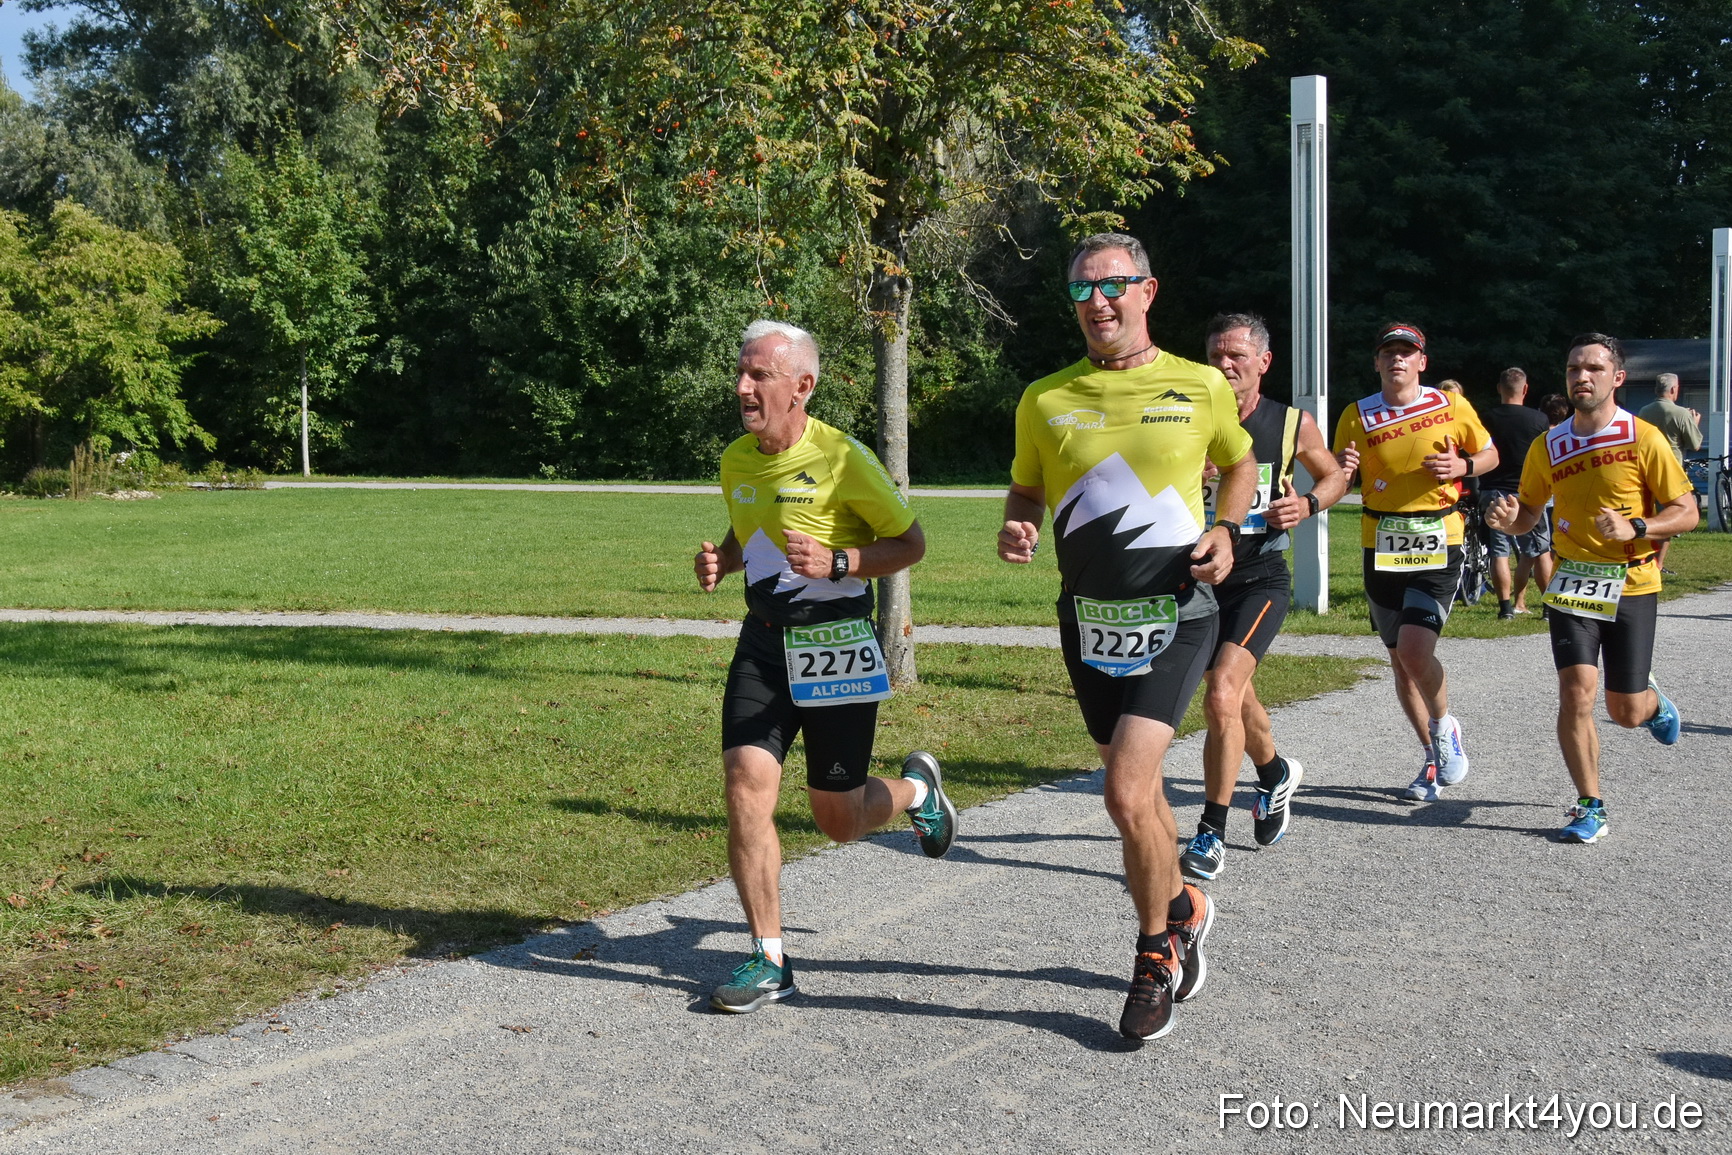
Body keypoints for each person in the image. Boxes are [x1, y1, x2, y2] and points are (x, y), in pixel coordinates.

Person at [998, 233, 1255, 1042]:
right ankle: (1184, 905)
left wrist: (1227, 526)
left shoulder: (1201, 383)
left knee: (1123, 789)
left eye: (1113, 288)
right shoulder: (1045, 397)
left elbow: (1240, 463)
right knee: (1136, 797)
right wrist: (1017, 520)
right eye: (1081, 292)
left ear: (1148, 291)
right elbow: (1027, 483)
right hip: (1089, 619)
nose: (1098, 304)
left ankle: (1154, 957)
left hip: (1178, 614)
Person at [694, 319, 956, 1013]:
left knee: (838, 818)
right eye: (741, 373)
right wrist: (723, 555)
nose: (744, 388)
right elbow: (749, 520)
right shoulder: (736, 459)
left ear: (802, 387)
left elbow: (911, 542)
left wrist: (841, 561)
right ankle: (768, 957)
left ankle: (917, 793)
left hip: (834, 644)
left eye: (761, 376)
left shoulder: (844, 460)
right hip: (763, 643)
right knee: (746, 781)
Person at [1485, 334, 1696, 843]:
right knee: (1576, 691)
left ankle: (1652, 704)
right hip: (1573, 582)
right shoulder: (1549, 443)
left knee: (1624, 711)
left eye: (1594, 368)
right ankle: (1590, 804)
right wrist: (1511, 520)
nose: (1582, 377)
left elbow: (1686, 512)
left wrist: (1638, 528)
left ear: (1617, 378)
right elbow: (1529, 515)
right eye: (1574, 368)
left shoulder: (1643, 438)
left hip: (1632, 584)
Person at [1178, 313, 1347, 881]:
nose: (1225, 366)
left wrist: (1308, 503)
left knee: (1223, 692)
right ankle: (1274, 774)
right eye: (1217, 356)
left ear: (1263, 363)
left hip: (1259, 578)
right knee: (1232, 692)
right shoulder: (1185, 418)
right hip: (1200, 577)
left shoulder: (1291, 423)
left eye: (1237, 357)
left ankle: (1210, 833)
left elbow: (1333, 477)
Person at [1332, 323, 1496, 804]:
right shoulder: (1357, 414)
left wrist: (1463, 467)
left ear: (1422, 362)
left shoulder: (1451, 406)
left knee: (1415, 650)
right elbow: (1338, 473)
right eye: (1389, 353)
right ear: (1377, 362)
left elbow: (1489, 454)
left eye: (1407, 352)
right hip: (1379, 542)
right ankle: (1430, 757)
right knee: (1400, 663)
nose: (1398, 360)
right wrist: (1340, 473)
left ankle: (1445, 727)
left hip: (1438, 537)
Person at [1479, 368, 1555, 619]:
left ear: (1499, 388)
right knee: (1539, 549)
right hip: (1527, 492)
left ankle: (1505, 609)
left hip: (1493, 489)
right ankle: (1547, 607)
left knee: (1498, 551)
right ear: (1525, 389)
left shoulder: (1486, 418)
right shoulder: (1539, 420)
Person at [1635, 373, 1702, 574]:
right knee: (1670, 517)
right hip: (1671, 471)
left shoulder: (1643, 411)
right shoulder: (1680, 413)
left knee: (1648, 515)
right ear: (1673, 389)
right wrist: (1694, 422)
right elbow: (1695, 444)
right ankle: (1659, 563)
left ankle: (1644, 558)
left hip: (1645, 468)